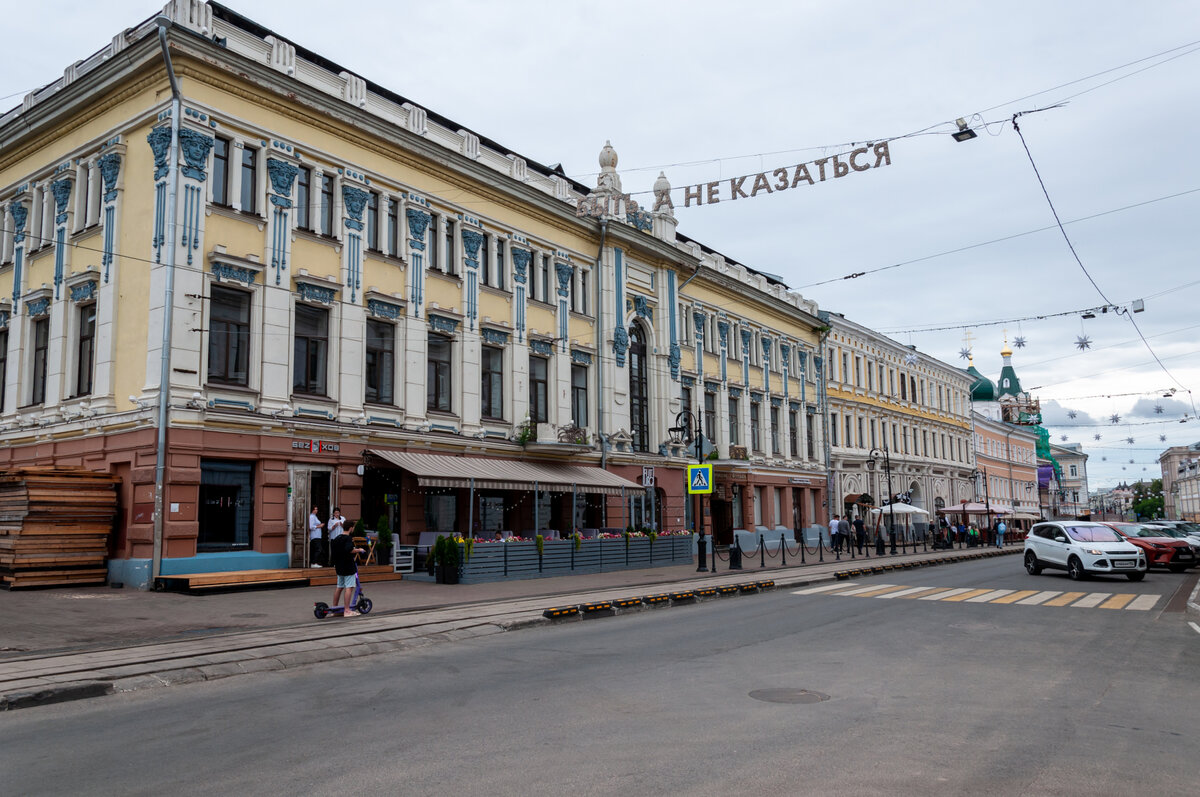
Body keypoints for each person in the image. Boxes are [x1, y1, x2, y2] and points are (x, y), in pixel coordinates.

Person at [329, 517, 365, 616]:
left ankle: (334, 609)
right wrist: (359, 550)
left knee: (339, 586)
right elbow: (349, 549)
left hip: (339, 566)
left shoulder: (337, 538)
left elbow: (334, 553)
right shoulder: (348, 538)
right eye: (353, 527)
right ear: (350, 528)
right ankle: (347, 610)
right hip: (348, 566)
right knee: (349, 587)